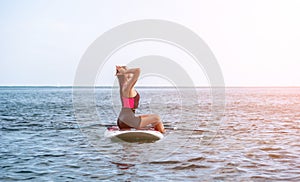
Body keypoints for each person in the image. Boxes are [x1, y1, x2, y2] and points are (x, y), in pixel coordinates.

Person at [115, 65, 165, 133]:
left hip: (122, 120)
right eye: (128, 72)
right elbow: (138, 70)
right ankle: (163, 133)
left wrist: (122, 72)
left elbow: (122, 77)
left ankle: (155, 130)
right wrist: (125, 71)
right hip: (129, 120)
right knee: (157, 118)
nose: (130, 73)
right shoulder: (127, 87)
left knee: (149, 116)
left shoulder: (123, 87)